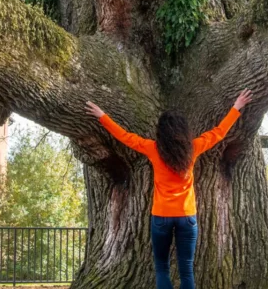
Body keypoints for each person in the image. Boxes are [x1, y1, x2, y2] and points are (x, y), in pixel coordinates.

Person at [86, 89, 252, 289]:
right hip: (187, 216)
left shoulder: (152, 148)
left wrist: (102, 116)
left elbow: (125, 137)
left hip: (161, 216)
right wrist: (236, 107)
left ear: (161, 131)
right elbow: (219, 132)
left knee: (162, 267)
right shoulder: (194, 147)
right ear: (183, 131)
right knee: (186, 269)